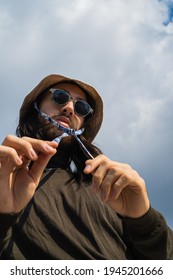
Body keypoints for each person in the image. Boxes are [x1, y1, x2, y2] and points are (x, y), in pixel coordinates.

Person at [0, 74, 173, 260]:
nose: (69, 109)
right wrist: (3, 215)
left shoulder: (109, 190)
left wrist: (143, 220)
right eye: (60, 96)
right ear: (35, 107)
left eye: (81, 107)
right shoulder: (5, 185)